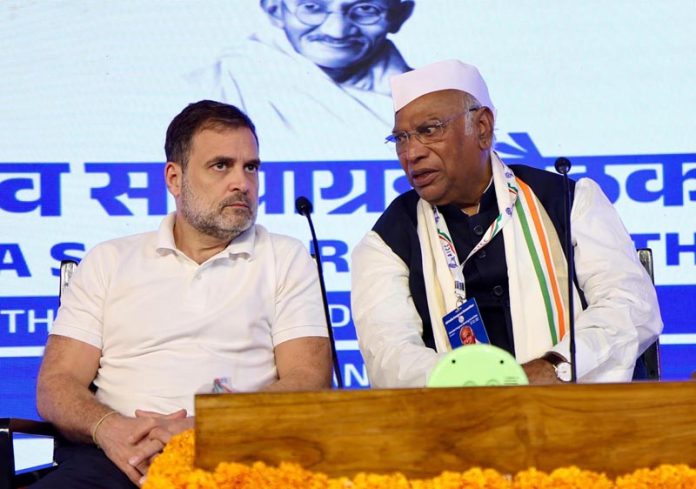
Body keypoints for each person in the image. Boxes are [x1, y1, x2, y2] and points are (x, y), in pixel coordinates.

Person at [34, 100, 333, 488]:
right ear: (174, 179)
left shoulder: (285, 257)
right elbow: (56, 384)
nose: (242, 182)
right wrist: (110, 429)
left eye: (251, 167)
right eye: (221, 165)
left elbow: (309, 379)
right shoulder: (109, 260)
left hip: (239, 456)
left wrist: (205, 428)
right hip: (117, 458)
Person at [351, 59, 663, 388]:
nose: (411, 152)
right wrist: (473, 387)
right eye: (400, 139)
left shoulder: (569, 201)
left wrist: (556, 367)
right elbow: (389, 355)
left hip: (577, 414)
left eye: (429, 131)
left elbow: (631, 307)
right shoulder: (388, 240)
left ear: (482, 128)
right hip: (456, 423)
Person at [189, 0, 415, 158]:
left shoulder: (426, 97)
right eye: (312, 7)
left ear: (399, 16)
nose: (336, 31)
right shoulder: (219, 82)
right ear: (274, 9)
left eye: (366, 9)